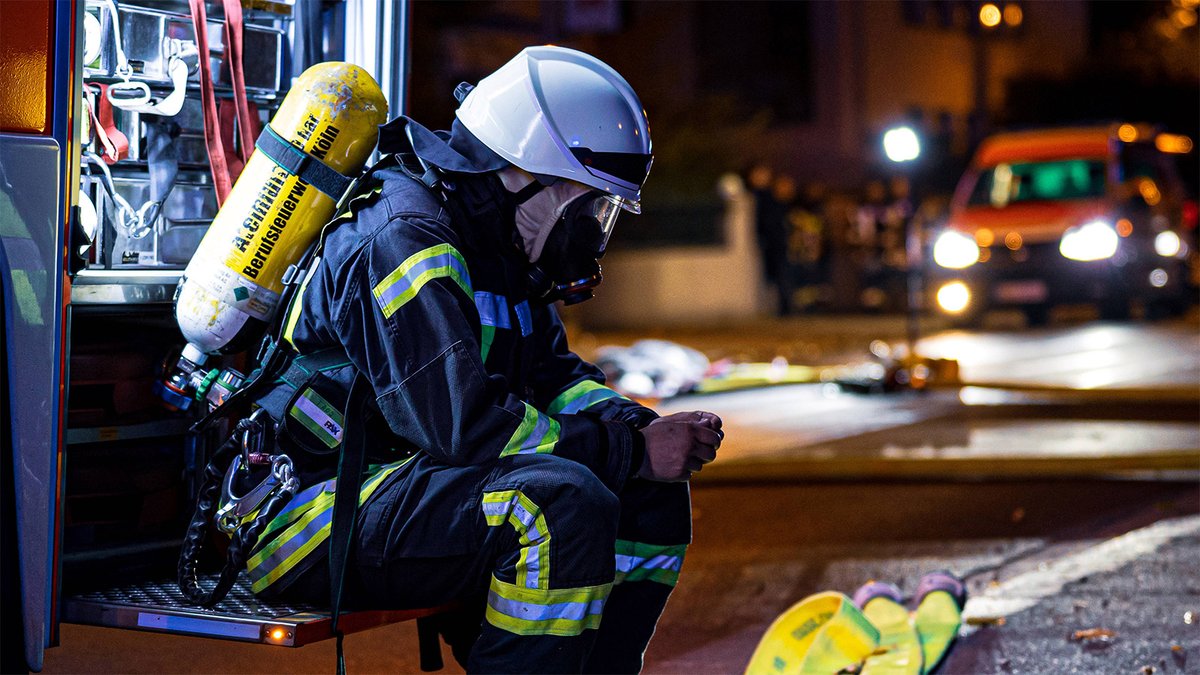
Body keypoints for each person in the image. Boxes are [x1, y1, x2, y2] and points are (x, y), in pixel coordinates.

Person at [240, 46, 723, 673]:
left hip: (414, 485)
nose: (594, 230)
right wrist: (629, 452)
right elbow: (465, 425)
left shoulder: (501, 250)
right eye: (591, 205)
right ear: (528, 175)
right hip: (308, 509)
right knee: (553, 505)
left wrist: (639, 431)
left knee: (652, 492)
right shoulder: (404, 238)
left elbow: (553, 378)